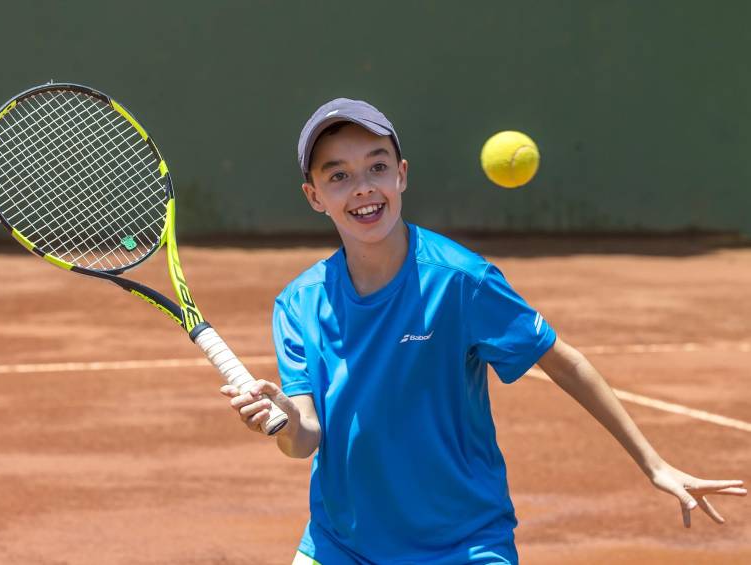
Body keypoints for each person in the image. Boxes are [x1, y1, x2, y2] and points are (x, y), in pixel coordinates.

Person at [220, 98, 746, 565]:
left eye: (376, 167)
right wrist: (282, 419)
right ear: (314, 196)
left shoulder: (461, 280)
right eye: (338, 176)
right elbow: (305, 440)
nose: (363, 188)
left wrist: (653, 464)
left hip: (463, 545)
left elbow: (563, 361)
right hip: (344, 545)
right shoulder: (298, 303)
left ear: (401, 175)